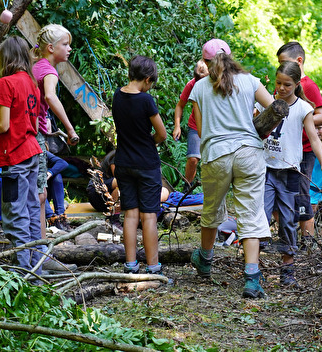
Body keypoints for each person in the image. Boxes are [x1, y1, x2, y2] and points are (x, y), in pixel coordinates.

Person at [188, 38, 275, 299]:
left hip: (216, 155)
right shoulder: (249, 80)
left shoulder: (199, 88)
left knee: (212, 208)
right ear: (230, 56)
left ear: (205, 62)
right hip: (249, 152)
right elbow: (275, 107)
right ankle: (251, 278)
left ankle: (205, 261)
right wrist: (257, 125)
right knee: (251, 212)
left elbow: (201, 131)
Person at [0, 36, 43, 273]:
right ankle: (37, 267)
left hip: (15, 157)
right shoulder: (32, 83)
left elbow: (3, 125)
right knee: (32, 209)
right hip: (32, 152)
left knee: (14, 213)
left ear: (7, 59)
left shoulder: (7, 82)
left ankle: (22, 272)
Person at [261, 61, 322, 286]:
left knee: (289, 221)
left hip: (291, 171)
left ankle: (287, 272)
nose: (281, 88)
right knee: (260, 213)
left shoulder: (303, 108)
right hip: (266, 169)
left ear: (297, 84)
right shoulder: (267, 102)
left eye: (287, 85)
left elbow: (313, 138)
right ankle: (253, 267)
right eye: (279, 83)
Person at [112, 55, 167, 275]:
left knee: (130, 215)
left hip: (123, 162)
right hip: (146, 163)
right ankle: (153, 267)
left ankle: (131, 264)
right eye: (151, 83)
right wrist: (148, 142)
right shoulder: (146, 100)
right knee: (149, 216)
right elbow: (162, 134)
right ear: (146, 79)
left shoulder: (117, 95)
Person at [277, 41, 322, 245]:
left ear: (299, 61)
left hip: (304, 151)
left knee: (301, 196)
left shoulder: (307, 85)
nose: (281, 67)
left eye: (284, 62)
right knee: (283, 195)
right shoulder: (283, 86)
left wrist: (302, 119)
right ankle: (289, 237)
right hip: (285, 151)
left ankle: (308, 241)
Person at [32, 24, 80, 237]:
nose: (69, 48)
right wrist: (70, 129)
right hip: (34, 138)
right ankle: (41, 247)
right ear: (51, 48)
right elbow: (50, 97)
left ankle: (36, 241)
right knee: (41, 193)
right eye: (65, 44)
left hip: (30, 132)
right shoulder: (49, 71)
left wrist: (44, 119)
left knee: (37, 189)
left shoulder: (36, 66)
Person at [172, 59, 209, 192]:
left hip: (213, 126)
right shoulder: (192, 84)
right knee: (193, 159)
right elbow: (180, 105)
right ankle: (187, 187)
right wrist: (177, 125)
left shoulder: (217, 84)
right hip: (195, 126)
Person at [44, 151, 71, 231]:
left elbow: (63, 163)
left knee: (57, 176)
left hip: (44, 192)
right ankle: (51, 218)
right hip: (30, 194)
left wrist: (50, 173)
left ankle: (60, 215)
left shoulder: (41, 151)